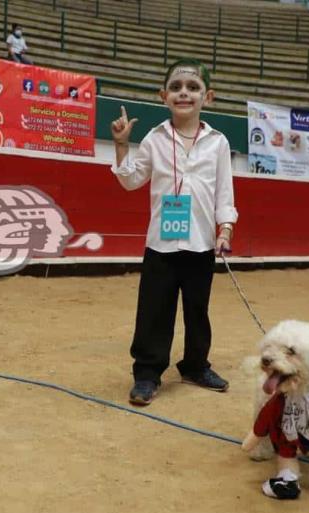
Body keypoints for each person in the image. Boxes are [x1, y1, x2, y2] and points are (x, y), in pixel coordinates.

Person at [110, 59, 237, 406]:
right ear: (163, 95)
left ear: (207, 97)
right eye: (176, 87)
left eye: (193, 88)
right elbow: (131, 180)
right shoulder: (153, 139)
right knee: (154, 310)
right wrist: (122, 145)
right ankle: (148, 374)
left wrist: (224, 230)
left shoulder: (218, 143)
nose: (184, 93)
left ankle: (195, 365)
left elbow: (224, 194)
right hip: (161, 244)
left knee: (198, 310)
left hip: (201, 243)